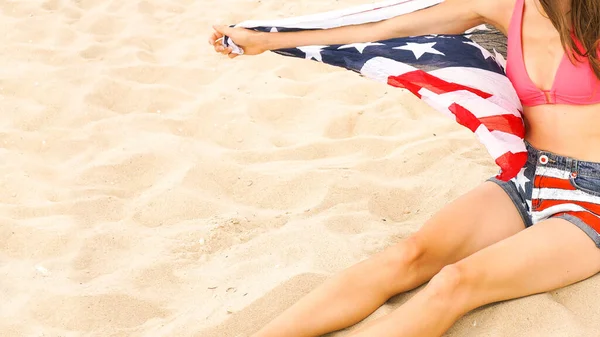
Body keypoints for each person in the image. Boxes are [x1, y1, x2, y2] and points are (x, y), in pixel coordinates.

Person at [208, 0, 600, 335]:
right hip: (527, 178)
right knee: (407, 256)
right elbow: (384, 26)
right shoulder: (505, 7)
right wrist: (265, 40)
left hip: (592, 200)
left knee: (454, 283)